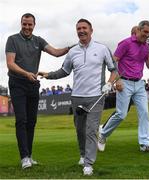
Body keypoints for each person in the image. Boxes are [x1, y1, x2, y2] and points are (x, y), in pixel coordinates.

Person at [38, 18, 118, 175]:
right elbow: (64, 71)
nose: (81, 31)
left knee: (91, 130)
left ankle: (88, 163)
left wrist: (109, 83)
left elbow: (114, 69)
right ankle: (83, 155)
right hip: (77, 97)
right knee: (80, 130)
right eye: (78, 29)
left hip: (96, 96)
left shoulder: (102, 48)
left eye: (84, 28)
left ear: (91, 30)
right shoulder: (73, 51)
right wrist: (48, 75)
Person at [5, 13, 73, 169]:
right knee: (21, 120)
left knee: (32, 121)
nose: (27, 27)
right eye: (24, 24)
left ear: (34, 25)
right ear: (21, 23)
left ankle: (29, 156)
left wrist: (72, 47)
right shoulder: (12, 39)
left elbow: (56, 52)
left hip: (33, 84)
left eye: (30, 24)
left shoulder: (38, 40)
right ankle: (24, 158)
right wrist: (25, 73)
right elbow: (10, 63)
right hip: (17, 83)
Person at [98, 20, 149, 153]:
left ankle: (145, 144)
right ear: (138, 29)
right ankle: (103, 135)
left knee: (144, 112)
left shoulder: (146, 46)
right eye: (145, 32)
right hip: (124, 82)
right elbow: (113, 61)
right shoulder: (126, 43)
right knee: (121, 114)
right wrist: (117, 80)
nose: (147, 35)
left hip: (139, 83)